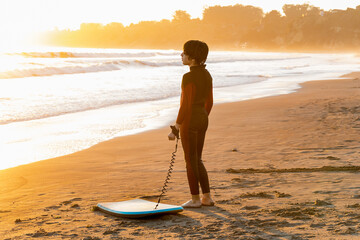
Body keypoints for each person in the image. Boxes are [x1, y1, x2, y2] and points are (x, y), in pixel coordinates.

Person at [168, 40, 214, 208]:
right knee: (198, 159)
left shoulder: (188, 77)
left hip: (190, 119)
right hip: (203, 117)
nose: (181, 55)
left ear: (192, 57)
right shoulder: (207, 74)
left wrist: (176, 128)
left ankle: (195, 199)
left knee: (190, 160)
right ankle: (207, 198)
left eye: (184, 53)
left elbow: (185, 105)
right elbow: (210, 102)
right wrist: (202, 117)